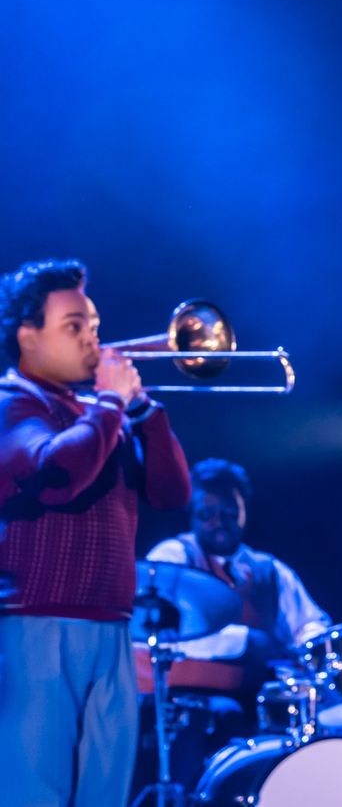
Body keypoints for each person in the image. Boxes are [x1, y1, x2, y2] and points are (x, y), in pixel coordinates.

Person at [0, 258, 191, 807]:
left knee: (103, 796)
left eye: (94, 325)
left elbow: (172, 494)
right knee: (33, 794)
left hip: (111, 629)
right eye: (74, 326)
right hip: (36, 627)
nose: (93, 339)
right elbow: (56, 475)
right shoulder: (14, 402)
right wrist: (110, 404)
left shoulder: (99, 414)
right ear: (28, 336)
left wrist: (144, 411)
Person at [140, 457, 331, 786]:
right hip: (185, 703)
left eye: (230, 513)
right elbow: (162, 632)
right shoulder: (172, 558)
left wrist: (309, 643)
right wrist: (245, 641)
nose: (220, 522)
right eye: (207, 514)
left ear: (244, 511)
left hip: (259, 701)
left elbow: (310, 623)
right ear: (192, 515)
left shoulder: (269, 570)